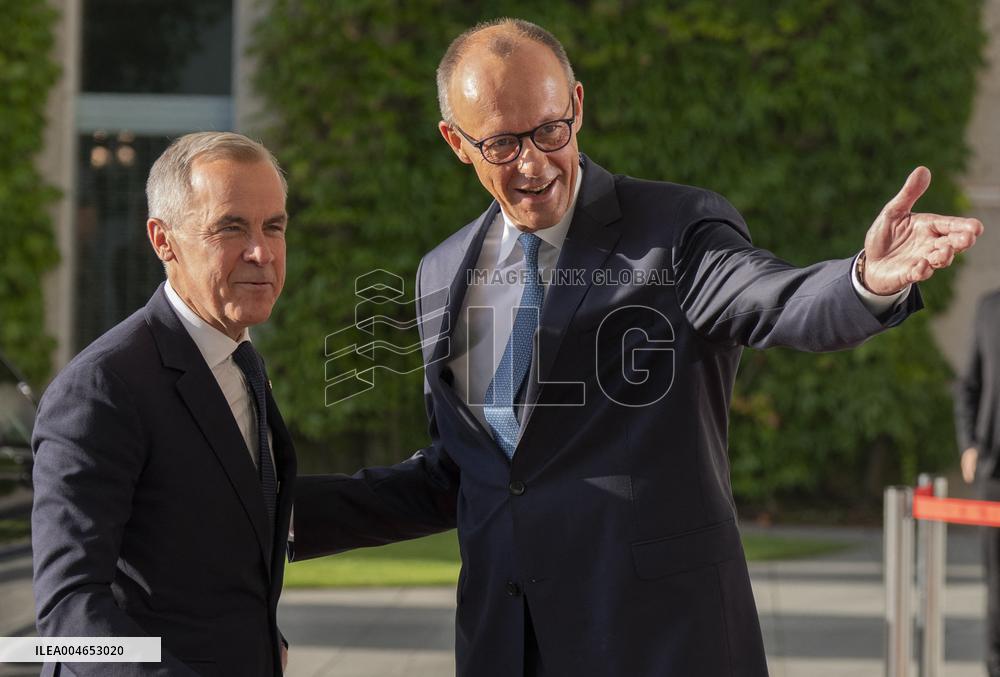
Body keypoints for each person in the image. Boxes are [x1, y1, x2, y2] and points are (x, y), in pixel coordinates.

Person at [293, 18, 983, 677]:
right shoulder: (441, 273)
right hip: (504, 647)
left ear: (578, 105)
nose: (533, 162)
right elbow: (464, 472)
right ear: (456, 141)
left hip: (660, 643)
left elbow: (772, 297)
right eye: (502, 143)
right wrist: (270, 515)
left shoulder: (675, 229)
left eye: (550, 129)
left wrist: (864, 281)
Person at [31, 132, 295, 676]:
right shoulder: (102, 387)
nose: (262, 252)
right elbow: (67, 615)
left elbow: (234, 511)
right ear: (163, 241)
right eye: (231, 227)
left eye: (273, 226)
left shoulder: (237, 360)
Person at [955, 289, 1000, 677]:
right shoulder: (990, 308)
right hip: (995, 473)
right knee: (997, 586)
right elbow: (968, 385)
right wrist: (969, 443)